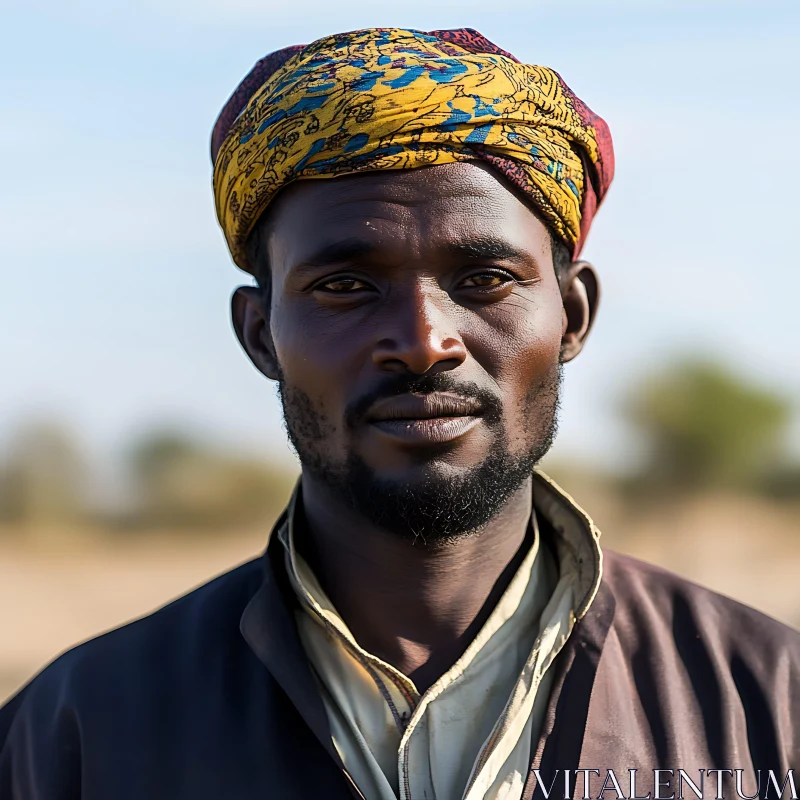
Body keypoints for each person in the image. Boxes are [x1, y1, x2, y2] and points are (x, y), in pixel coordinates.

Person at [1, 27, 798, 800]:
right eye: (346, 286)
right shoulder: (76, 732)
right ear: (259, 335)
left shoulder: (769, 704)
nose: (423, 343)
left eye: (484, 278)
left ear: (574, 315)